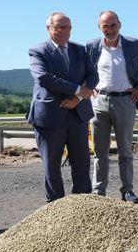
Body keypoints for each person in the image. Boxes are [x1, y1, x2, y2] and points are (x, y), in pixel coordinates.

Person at [86, 10, 138, 204]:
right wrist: (87, 86)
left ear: (120, 24)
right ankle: (98, 192)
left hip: (126, 101)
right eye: (105, 26)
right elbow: (82, 69)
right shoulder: (91, 46)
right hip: (99, 101)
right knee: (100, 151)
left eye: (113, 25)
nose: (110, 29)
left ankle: (127, 191)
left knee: (125, 149)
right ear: (99, 27)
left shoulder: (134, 45)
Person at [27, 12, 97, 202]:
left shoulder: (80, 50)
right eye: (57, 27)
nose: (62, 31)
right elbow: (43, 78)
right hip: (49, 117)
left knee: (81, 163)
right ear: (48, 28)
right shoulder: (38, 51)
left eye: (66, 27)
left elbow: (93, 76)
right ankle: (56, 210)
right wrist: (77, 89)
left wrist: (77, 98)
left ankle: (83, 205)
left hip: (77, 114)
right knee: (51, 165)